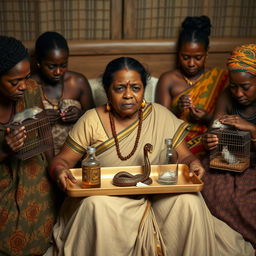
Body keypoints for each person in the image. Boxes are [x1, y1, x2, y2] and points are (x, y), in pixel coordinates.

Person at [45, 57, 254, 256]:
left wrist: (193, 164)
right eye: (119, 88)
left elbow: (185, 157)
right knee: (95, 207)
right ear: (108, 91)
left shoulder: (160, 115)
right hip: (109, 201)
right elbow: (61, 160)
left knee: (190, 203)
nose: (128, 95)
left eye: (136, 88)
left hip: (159, 197)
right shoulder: (91, 120)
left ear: (143, 89)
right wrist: (60, 171)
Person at [0, 36, 58, 255]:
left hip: (34, 171)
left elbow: (46, 134)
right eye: (14, 82)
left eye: (26, 77)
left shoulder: (32, 90)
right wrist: (5, 150)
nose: (23, 86)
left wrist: (54, 170)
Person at [202, 44, 256, 249]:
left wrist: (250, 128)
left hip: (253, 162)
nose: (238, 93)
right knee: (208, 186)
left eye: (246, 87)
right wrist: (211, 139)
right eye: (234, 86)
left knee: (245, 201)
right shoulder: (227, 95)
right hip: (229, 159)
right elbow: (214, 128)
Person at [155, 16, 228, 158]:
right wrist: (177, 108)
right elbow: (159, 121)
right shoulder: (169, 79)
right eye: (185, 57)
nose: (191, 64)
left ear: (207, 53)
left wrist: (206, 117)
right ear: (178, 54)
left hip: (209, 142)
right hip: (176, 143)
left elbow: (226, 123)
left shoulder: (220, 77)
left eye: (198, 57)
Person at [31, 31, 94, 155]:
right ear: (39, 62)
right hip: (40, 156)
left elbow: (95, 117)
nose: (58, 71)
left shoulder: (77, 82)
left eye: (63, 65)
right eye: (52, 66)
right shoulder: (29, 86)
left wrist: (79, 114)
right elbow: (16, 122)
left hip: (77, 153)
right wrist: (39, 119)